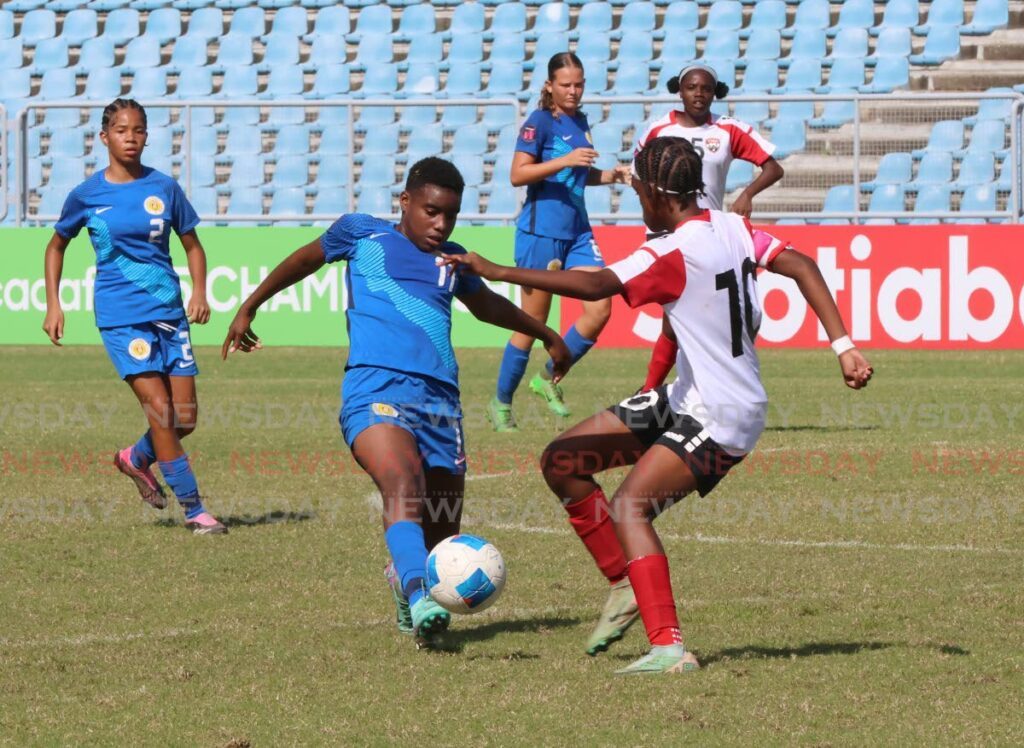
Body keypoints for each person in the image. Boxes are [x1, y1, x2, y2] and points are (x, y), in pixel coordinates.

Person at [442, 138, 873, 674]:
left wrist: (501, 272)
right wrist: (843, 346)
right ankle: (625, 580)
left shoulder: (672, 250)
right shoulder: (731, 226)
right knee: (564, 460)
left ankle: (668, 647)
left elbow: (598, 282)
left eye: (635, 190)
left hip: (723, 415)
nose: (634, 199)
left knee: (630, 507)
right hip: (688, 397)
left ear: (654, 193)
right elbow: (804, 264)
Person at [221, 158, 571, 645]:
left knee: (441, 534)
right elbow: (304, 259)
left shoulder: (452, 260)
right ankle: (416, 592)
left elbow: (488, 304)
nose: (440, 224)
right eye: (431, 211)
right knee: (402, 483)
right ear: (405, 201)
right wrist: (249, 304)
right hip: (375, 389)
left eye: (450, 215)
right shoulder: (362, 234)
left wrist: (547, 335)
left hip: (441, 404)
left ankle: (407, 582)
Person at [41, 99, 224, 534]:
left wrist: (199, 291)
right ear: (104, 138)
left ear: (146, 136)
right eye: (121, 130)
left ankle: (135, 458)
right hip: (122, 317)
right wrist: (54, 303)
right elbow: (56, 246)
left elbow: (192, 245)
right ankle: (196, 510)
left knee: (185, 419)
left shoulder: (164, 188)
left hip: (169, 315)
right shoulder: (87, 195)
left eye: (138, 130)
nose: (131, 137)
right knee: (161, 413)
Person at [488, 51, 630, 432]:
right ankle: (501, 403)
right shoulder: (538, 122)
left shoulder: (580, 120)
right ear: (550, 85)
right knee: (533, 322)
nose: (573, 91)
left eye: (579, 84)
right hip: (541, 234)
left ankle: (548, 376)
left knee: (600, 308)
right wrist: (566, 161)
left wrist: (611, 176)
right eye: (566, 84)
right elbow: (518, 175)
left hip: (578, 232)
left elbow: (580, 174)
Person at [634, 63, 786, 391]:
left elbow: (773, 168)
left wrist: (746, 194)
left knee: (696, 316)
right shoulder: (658, 130)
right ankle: (652, 391)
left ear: (714, 93)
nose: (698, 94)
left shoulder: (728, 130)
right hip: (669, 232)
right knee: (676, 315)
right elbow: (637, 175)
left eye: (705, 88)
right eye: (691, 88)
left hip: (710, 233)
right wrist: (652, 211)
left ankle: (656, 391)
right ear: (680, 90)